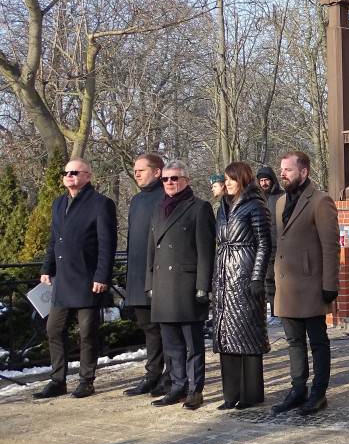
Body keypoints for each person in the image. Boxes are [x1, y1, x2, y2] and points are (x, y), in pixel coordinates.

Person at [34, 159, 117, 399]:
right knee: (54, 329)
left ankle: (86, 380)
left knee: (87, 333)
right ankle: (57, 380)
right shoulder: (59, 202)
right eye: (65, 172)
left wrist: (102, 275)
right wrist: (46, 267)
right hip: (62, 279)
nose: (68, 176)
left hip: (88, 280)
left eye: (74, 172)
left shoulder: (101, 204)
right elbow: (54, 239)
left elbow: (107, 245)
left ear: (88, 176)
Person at [270, 150, 341, 416]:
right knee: (293, 342)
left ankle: (318, 394)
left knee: (318, 342)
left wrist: (330, 285)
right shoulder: (278, 203)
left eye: (288, 169)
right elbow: (281, 243)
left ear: (303, 172)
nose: (283, 173)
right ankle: (297, 390)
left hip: (312, 286)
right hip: (286, 287)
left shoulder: (320, 201)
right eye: (282, 169)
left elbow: (331, 246)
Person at [146, 160, 216, 410]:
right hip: (163, 285)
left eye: (174, 178)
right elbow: (151, 249)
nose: (169, 183)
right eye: (165, 179)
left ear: (186, 180)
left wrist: (203, 286)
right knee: (171, 344)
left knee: (193, 344)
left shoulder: (200, 207)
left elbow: (207, 251)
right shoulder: (158, 208)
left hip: (187, 286)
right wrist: (149, 283)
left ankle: (196, 389)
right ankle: (177, 386)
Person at [211, 162, 271, 410]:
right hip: (225, 276)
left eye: (231, 179)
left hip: (245, 275)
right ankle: (230, 394)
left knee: (247, 336)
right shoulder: (222, 208)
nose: (227, 183)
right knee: (226, 336)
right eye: (225, 179)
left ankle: (251, 394)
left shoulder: (255, 206)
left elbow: (264, 243)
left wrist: (257, 277)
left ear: (242, 179)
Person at [122, 154, 171, 398]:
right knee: (148, 326)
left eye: (142, 170)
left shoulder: (166, 197)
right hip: (138, 274)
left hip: (160, 274)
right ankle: (152, 374)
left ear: (158, 172)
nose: (137, 174)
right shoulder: (137, 200)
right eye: (135, 170)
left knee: (165, 327)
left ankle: (172, 375)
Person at [256, 165, 284, 318]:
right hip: (264, 248)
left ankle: (282, 312)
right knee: (269, 282)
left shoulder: (282, 197)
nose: (264, 183)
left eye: (267, 180)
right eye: (261, 181)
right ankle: (273, 313)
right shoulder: (257, 200)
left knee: (282, 282)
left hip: (281, 247)